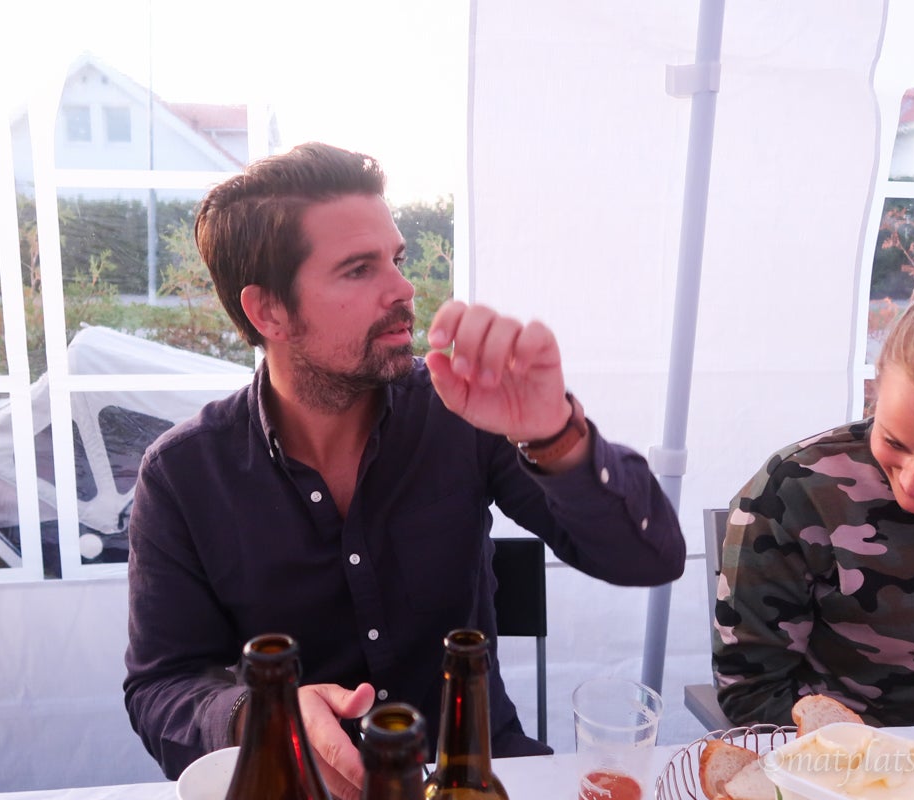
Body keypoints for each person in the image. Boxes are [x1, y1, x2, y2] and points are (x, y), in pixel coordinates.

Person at [122, 142, 686, 798]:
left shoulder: (461, 413)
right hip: (310, 787)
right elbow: (161, 687)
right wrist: (263, 717)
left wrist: (554, 434)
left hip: (477, 774)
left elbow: (652, 558)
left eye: (396, 259)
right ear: (268, 311)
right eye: (359, 269)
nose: (403, 289)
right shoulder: (184, 476)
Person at [713, 229, 914, 728]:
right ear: (874, 392)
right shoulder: (797, 491)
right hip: (851, 757)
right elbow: (752, 695)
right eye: (895, 441)